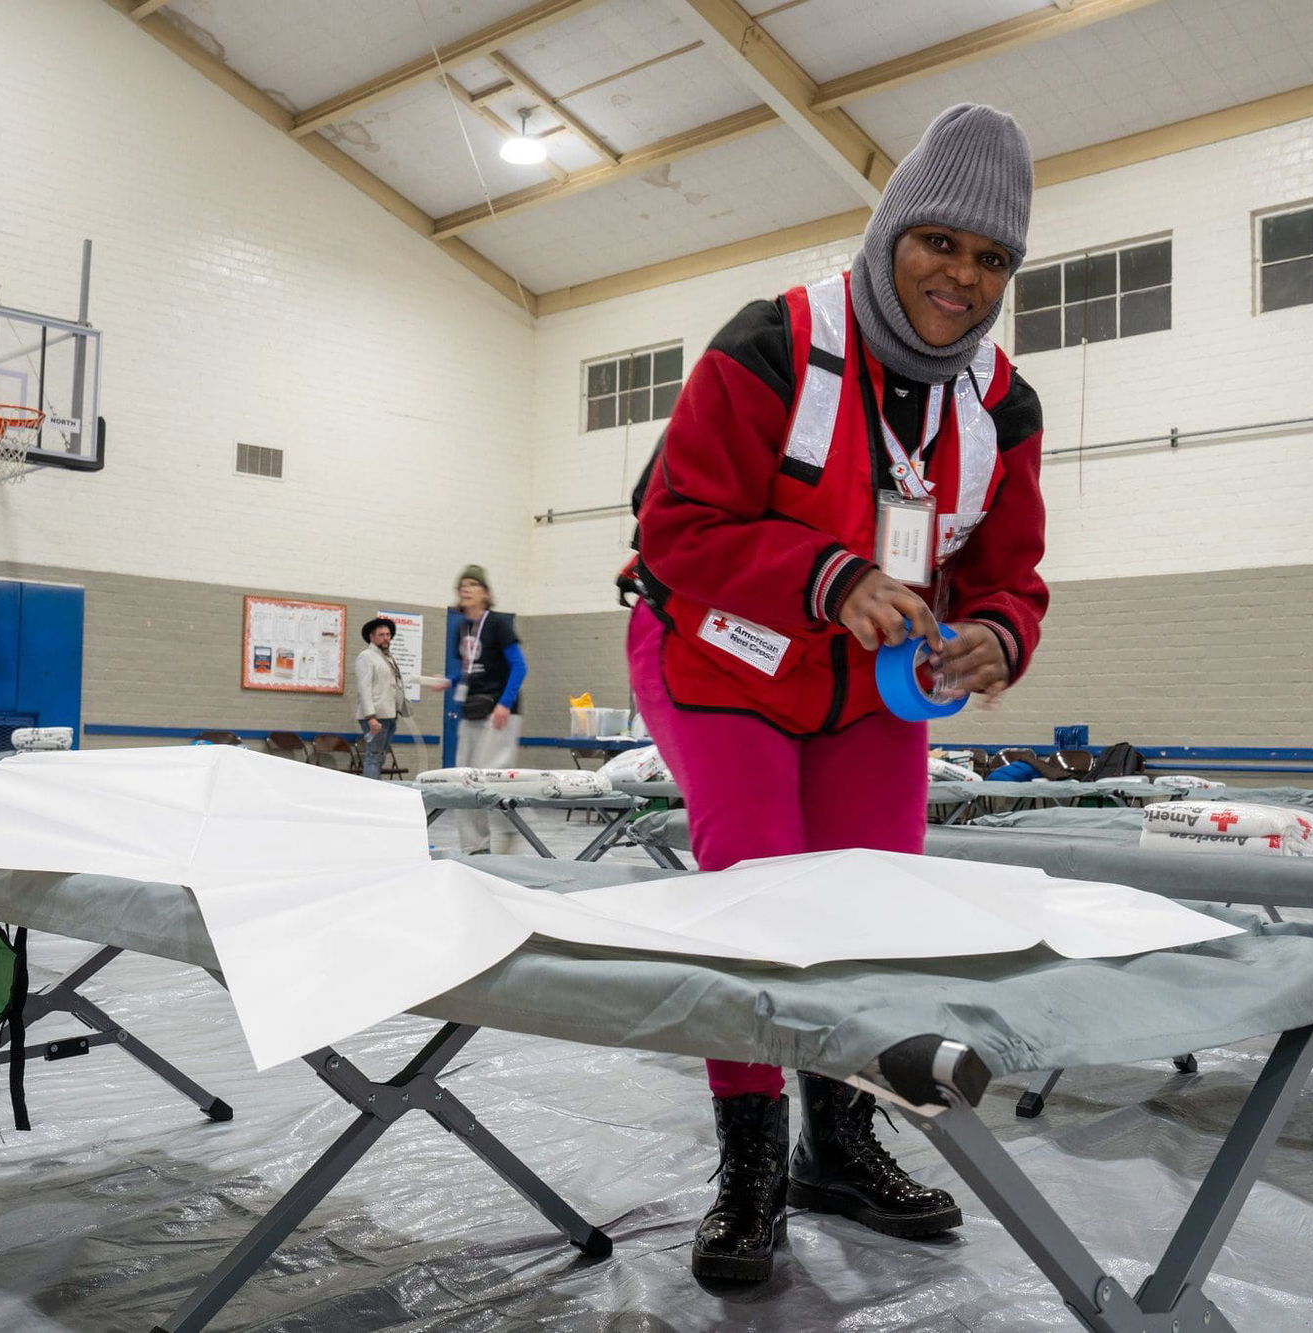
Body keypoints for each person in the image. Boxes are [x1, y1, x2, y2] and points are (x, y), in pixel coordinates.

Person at [621, 104, 1049, 1284]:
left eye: (990, 258)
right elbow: (675, 528)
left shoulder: (1002, 406)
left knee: (867, 905)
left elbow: (1008, 572)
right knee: (758, 895)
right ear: (888, 234)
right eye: (939, 244)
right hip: (718, 658)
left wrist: (996, 638)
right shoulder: (770, 345)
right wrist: (828, 572)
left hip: (863, 686)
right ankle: (749, 1162)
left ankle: (839, 1141)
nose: (961, 277)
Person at [431, 566, 529, 854]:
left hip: (499, 711)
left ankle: (511, 827)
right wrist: (448, 681)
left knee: (490, 777)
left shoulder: (498, 624)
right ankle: (475, 847)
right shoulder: (463, 628)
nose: (466, 588)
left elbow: (519, 666)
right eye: (462, 584)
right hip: (472, 709)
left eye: (473, 584)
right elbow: (468, 670)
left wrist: (505, 703)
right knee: (464, 779)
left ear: (485, 593)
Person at [353, 617, 409, 780]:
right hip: (375, 716)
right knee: (374, 756)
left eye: (388, 634)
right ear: (372, 637)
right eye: (381, 634)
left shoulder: (388, 658)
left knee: (380, 756)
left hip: (389, 715)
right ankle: (369, 793)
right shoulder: (366, 656)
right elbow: (364, 688)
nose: (386, 638)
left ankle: (374, 789)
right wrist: (371, 717)